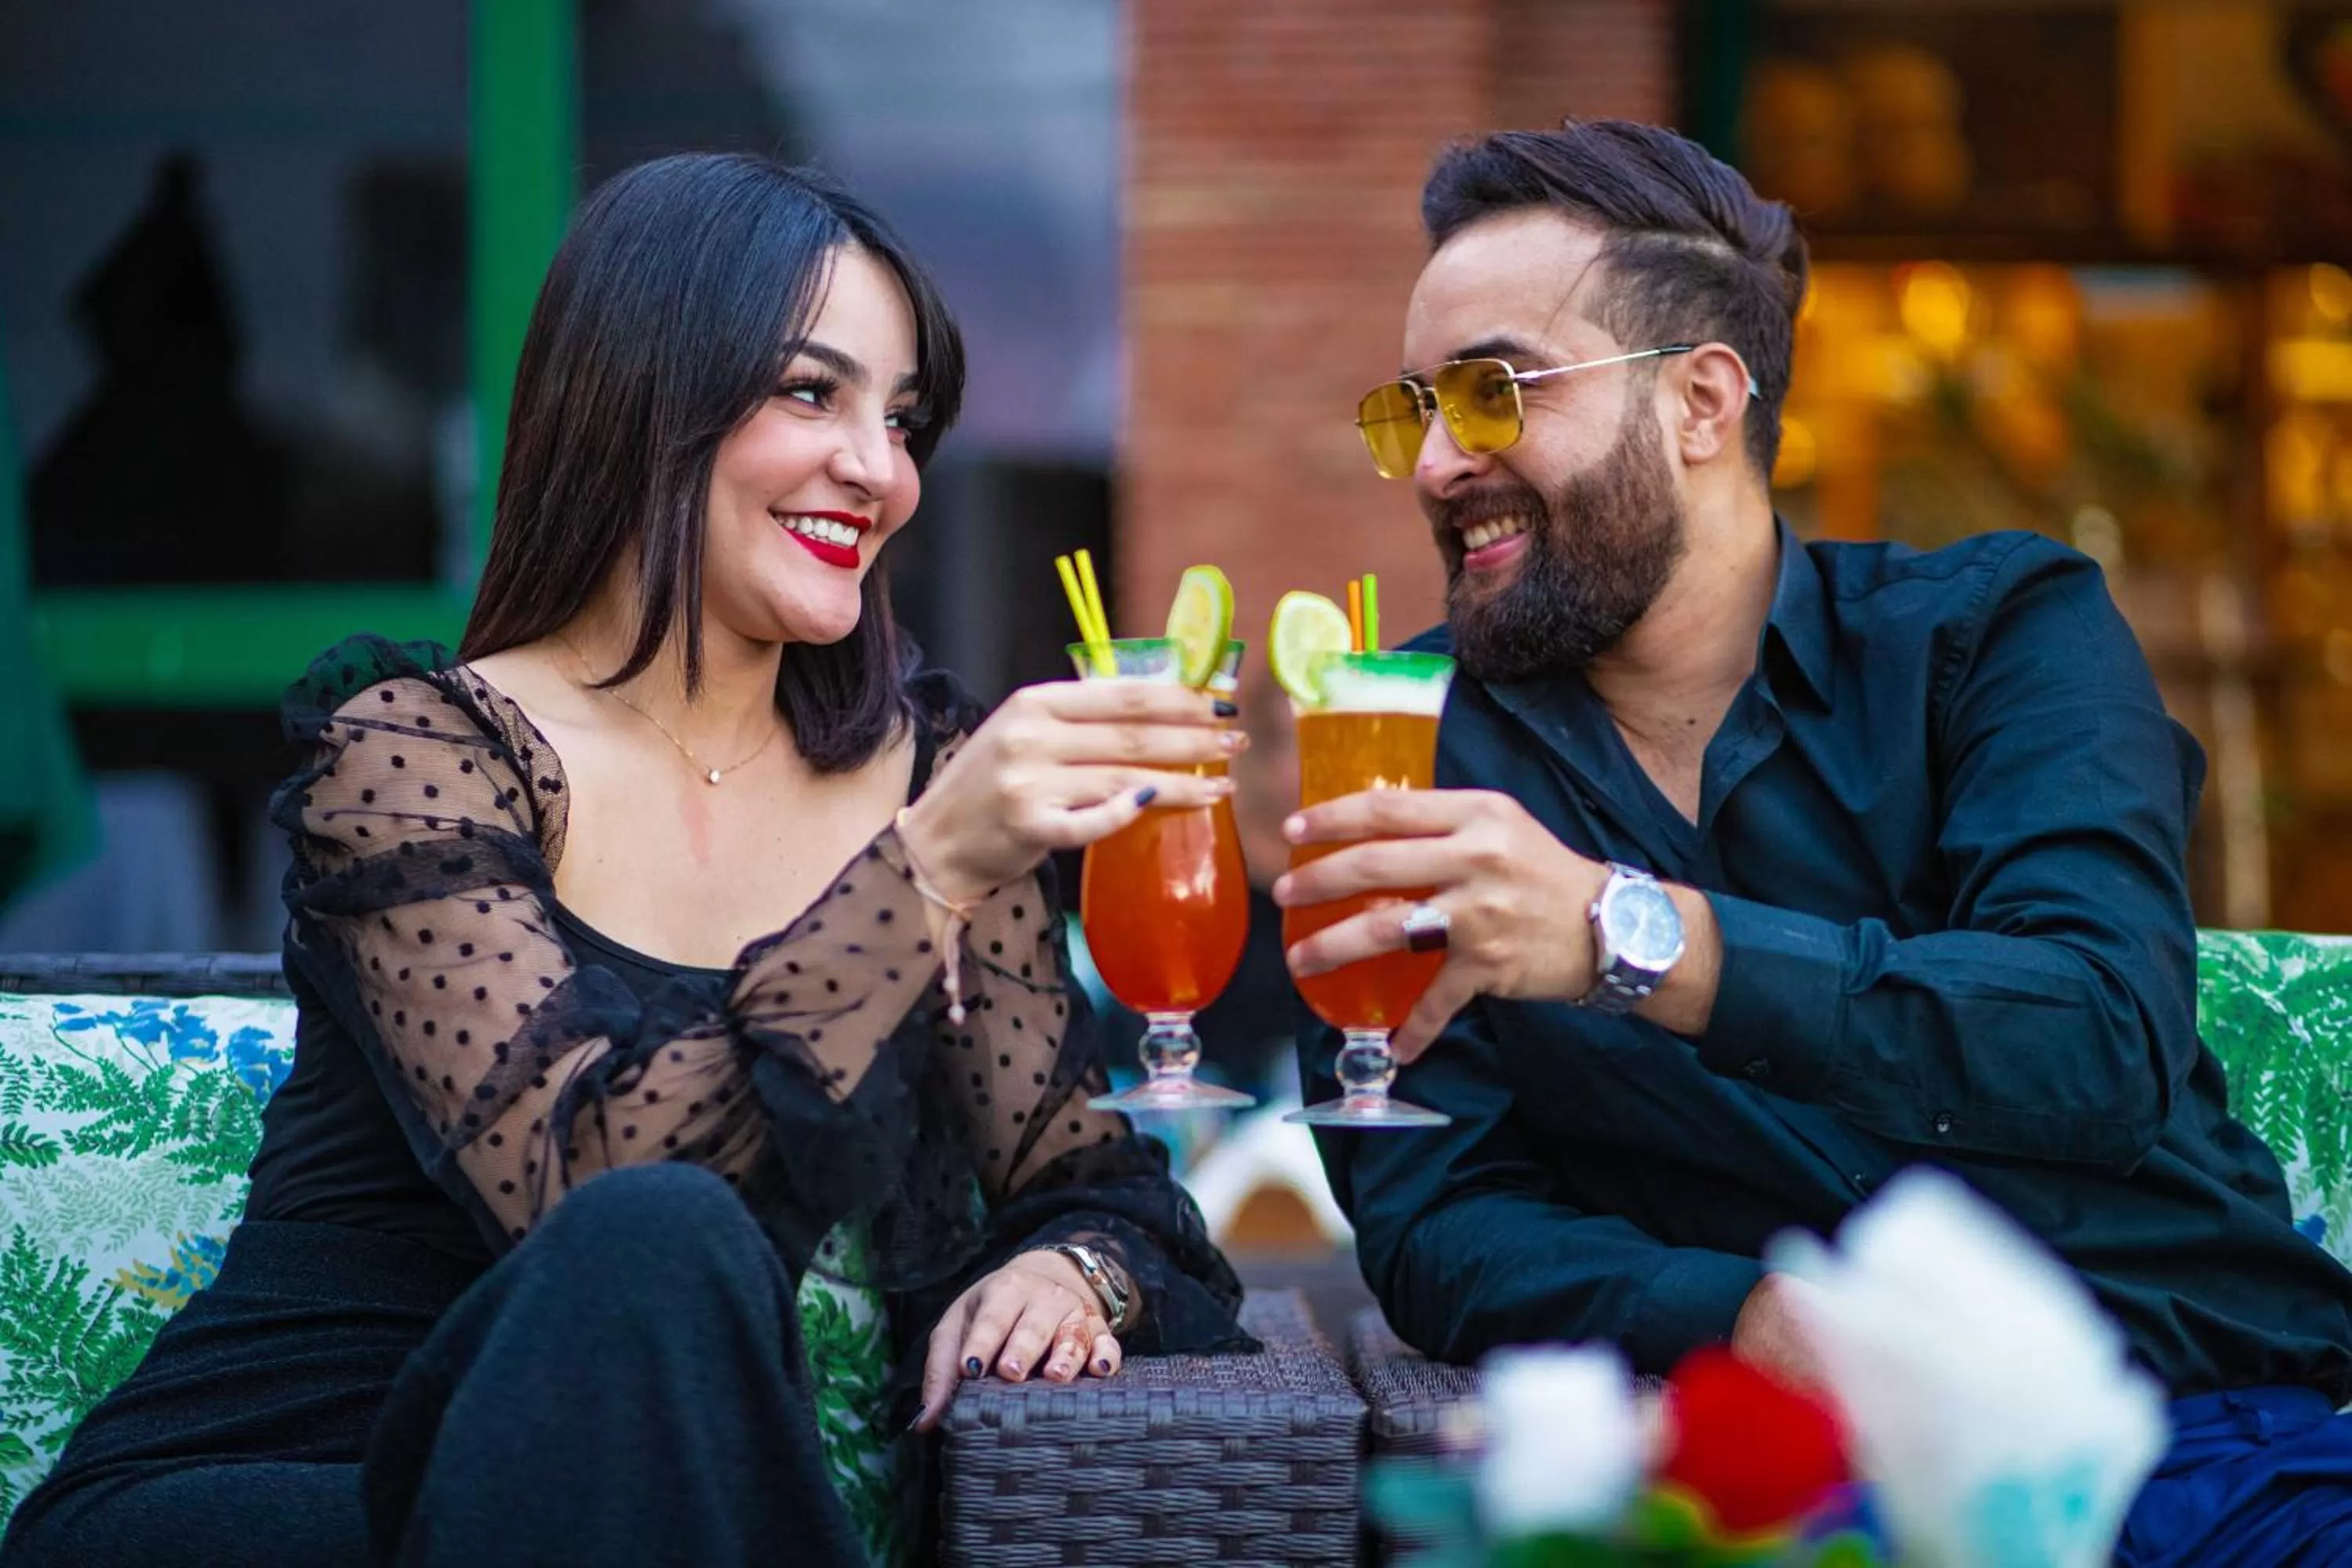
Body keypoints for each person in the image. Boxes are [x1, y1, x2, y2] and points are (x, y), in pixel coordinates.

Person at [1, 153, 1251, 1568]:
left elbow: (1105, 1187)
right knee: (659, 1238)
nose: (881, 470)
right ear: (645, 400)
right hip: (298, 1496)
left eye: (903, 419)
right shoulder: (418, 756)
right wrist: (920, 876)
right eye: (811, 392)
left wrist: (1067, 1265)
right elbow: (590, 1193)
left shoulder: (927, 779)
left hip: (637, 1523)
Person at [1281, 119, 2352, 1562]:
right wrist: (1737, 1314)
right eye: (1417, 409)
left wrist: (1626, 937)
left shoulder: (1998, 635)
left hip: (2209, 1419)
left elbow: (2096, 1032)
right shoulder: (1415, 737)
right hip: (1792, 1486)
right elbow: (1432, 1212)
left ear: (1702, 401)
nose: (1434, 465)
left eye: (1493, 392)